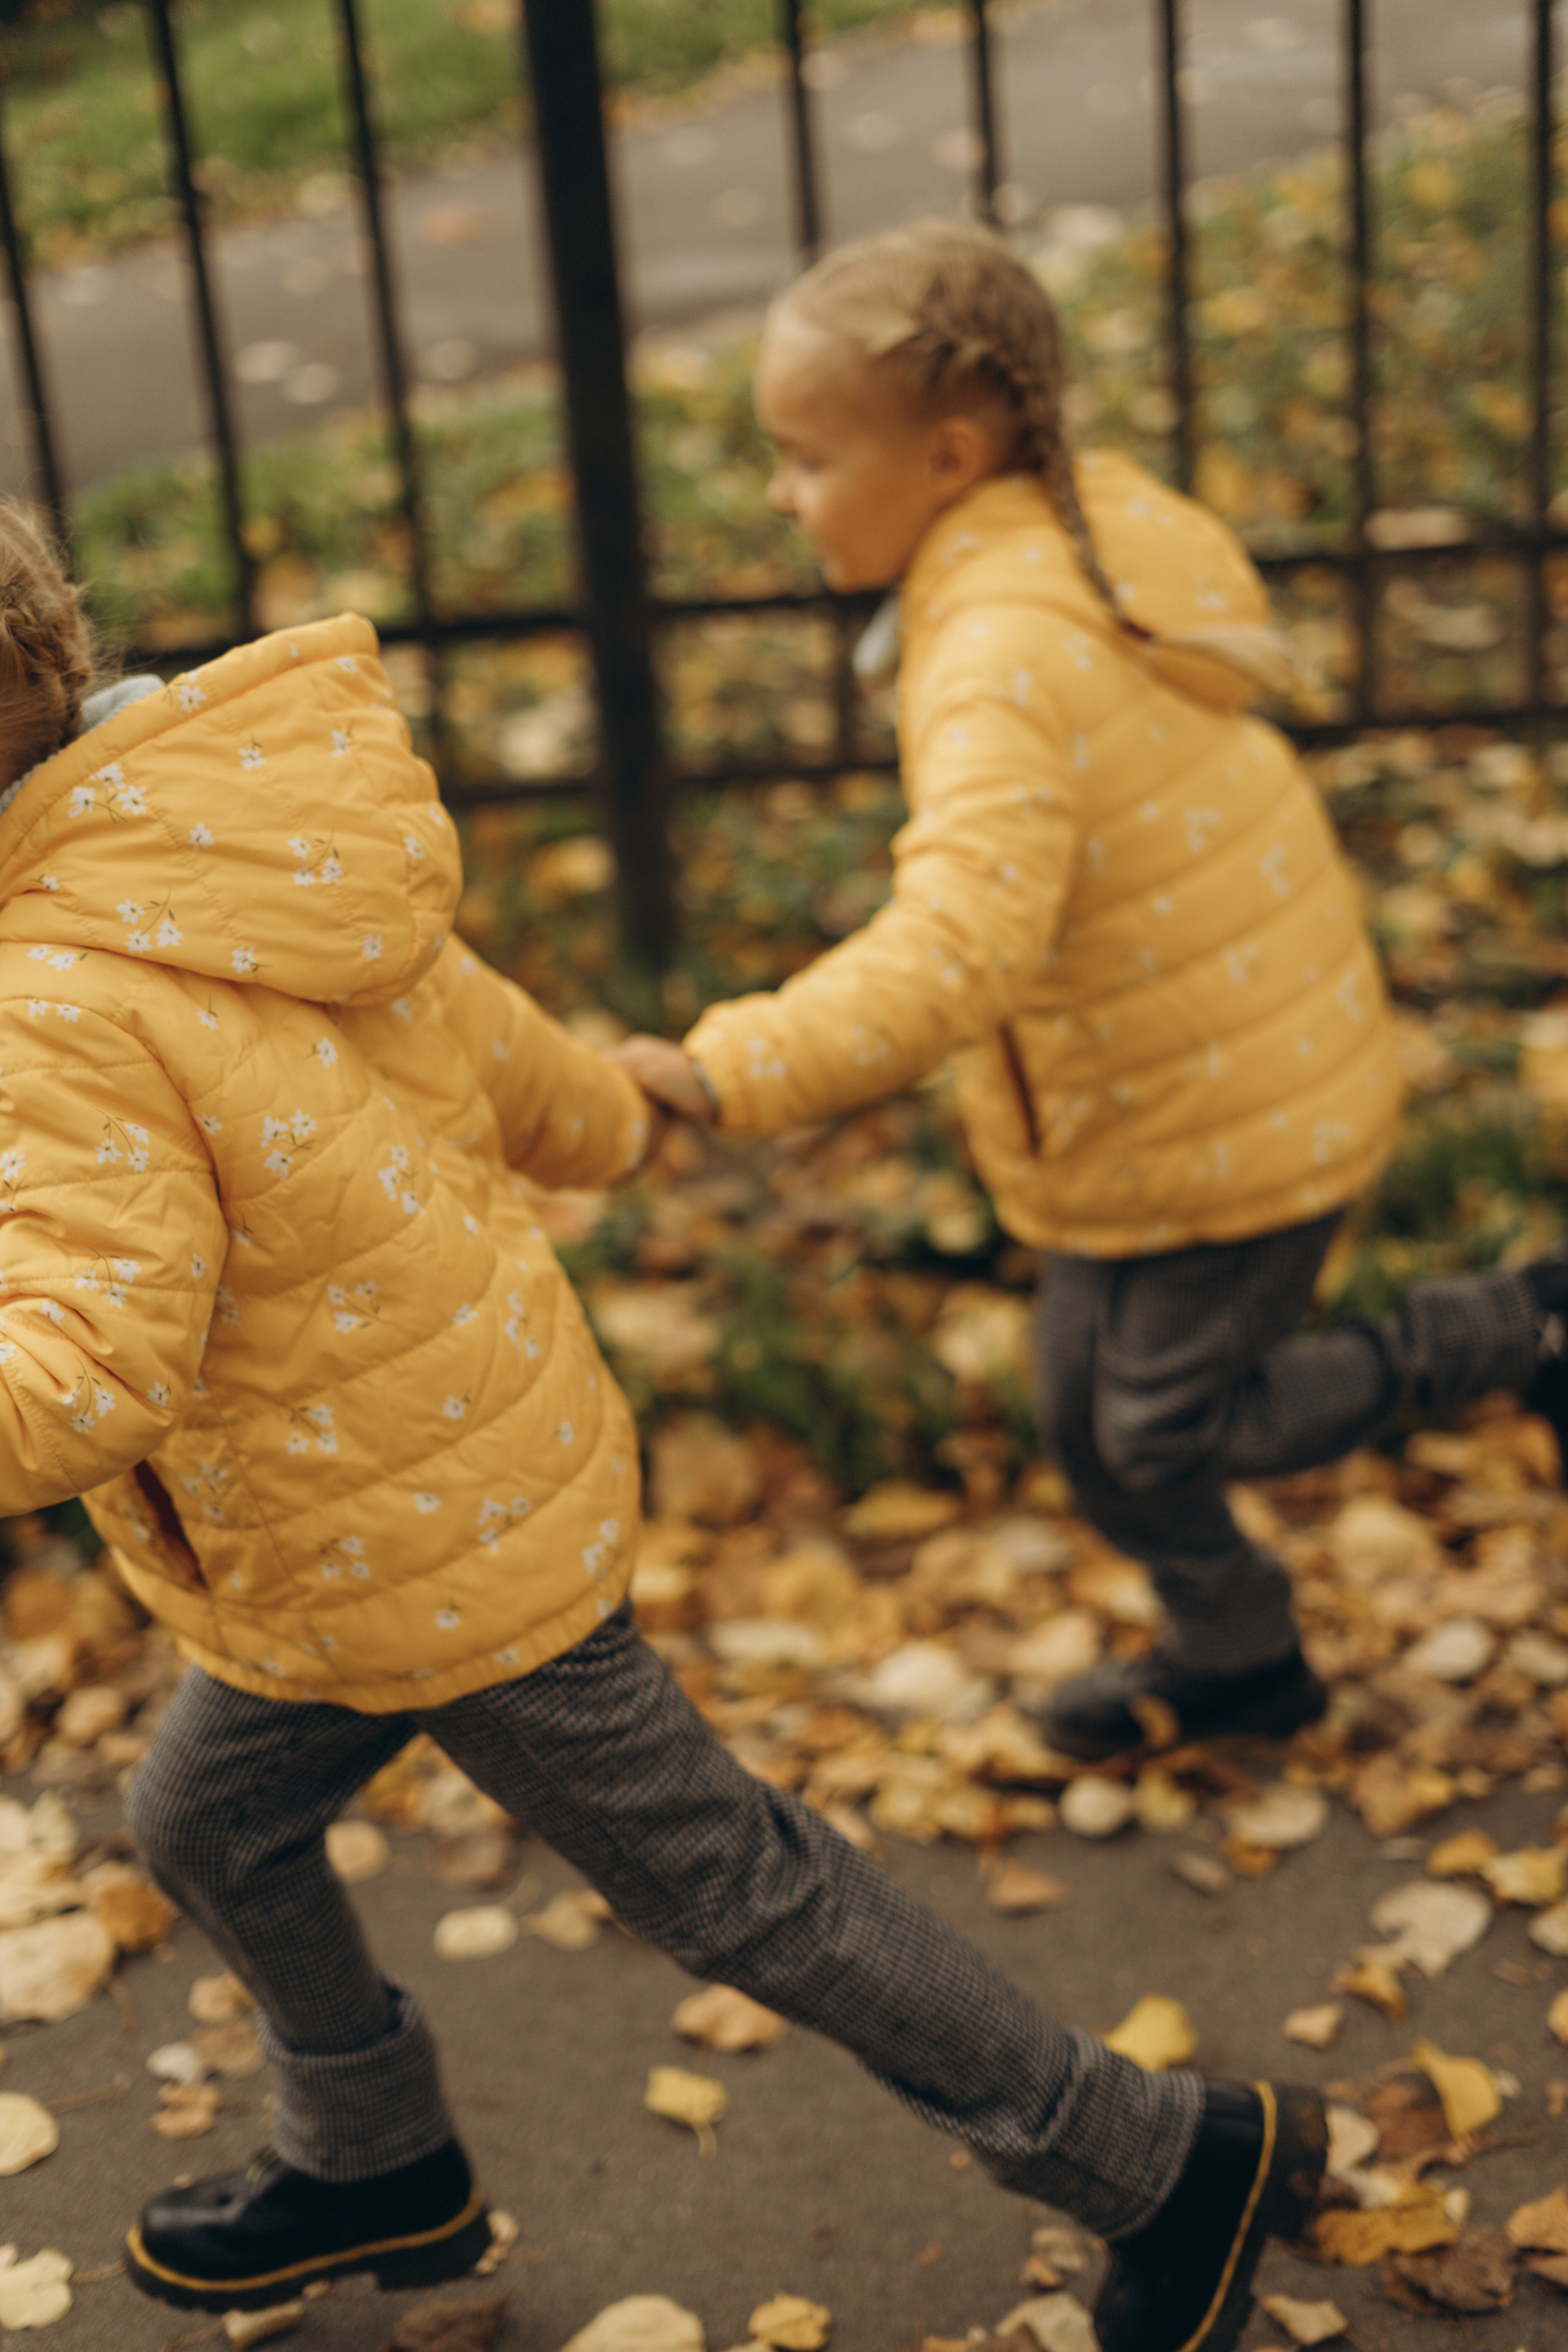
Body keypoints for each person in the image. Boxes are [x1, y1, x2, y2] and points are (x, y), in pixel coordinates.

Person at [0, 500, 1323, 2352]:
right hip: (368, 1508)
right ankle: (371, 2156)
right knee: (203, 1823)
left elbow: (89, 1358)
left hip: (423, 1554)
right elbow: (471, 1024)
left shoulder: (50, 997)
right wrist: (615, 1118)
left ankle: (1159, 2160)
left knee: (735, 1892)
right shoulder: (214, 835)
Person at [614, 217, 1568, 1769]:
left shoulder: (996, 649)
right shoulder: (1062, 527)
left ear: (946, 452)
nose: (783, 497)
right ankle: (1242, 1656)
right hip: (1158, 1089)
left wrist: (731, 1071)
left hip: (1234, 1108)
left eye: (804, 459)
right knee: (1091, 1423)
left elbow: (955, 949)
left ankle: (1514, 1336)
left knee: (1155, 1431)